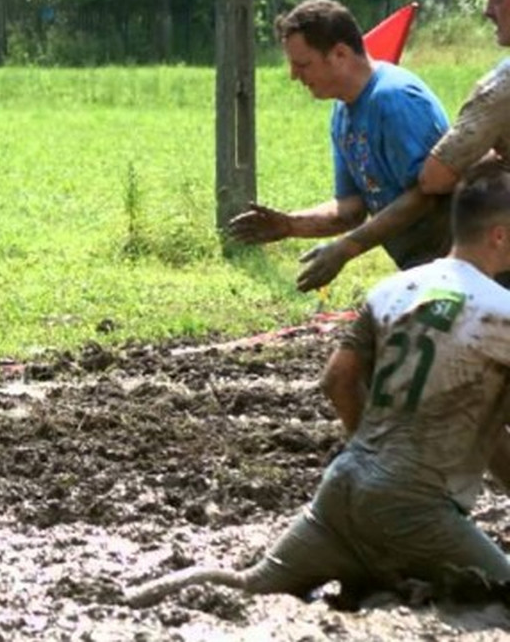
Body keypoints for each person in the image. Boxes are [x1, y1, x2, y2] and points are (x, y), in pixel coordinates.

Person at [127, 167, 510, 608]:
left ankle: (126, 602)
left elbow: (336, 379)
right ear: (499, 236)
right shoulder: (500, 314)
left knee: (251, 584)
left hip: (342, 492)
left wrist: (369, 449)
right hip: (417, 510)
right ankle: (393, 566)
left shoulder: (389, 291)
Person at [227, 0, 452, 292]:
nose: (294, 76)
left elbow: (428, 194)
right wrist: (289, 225)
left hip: (472, 266)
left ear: (340, 54)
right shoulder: (343, 112)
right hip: (426, 270)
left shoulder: (395, 99)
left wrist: (347, 248)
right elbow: (351, 208)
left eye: (302, 64)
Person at [419, 0, 510, 196]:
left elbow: (434, 179)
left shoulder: (500, 89)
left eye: (496, 0)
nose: (487, 11)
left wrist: (489, 163)